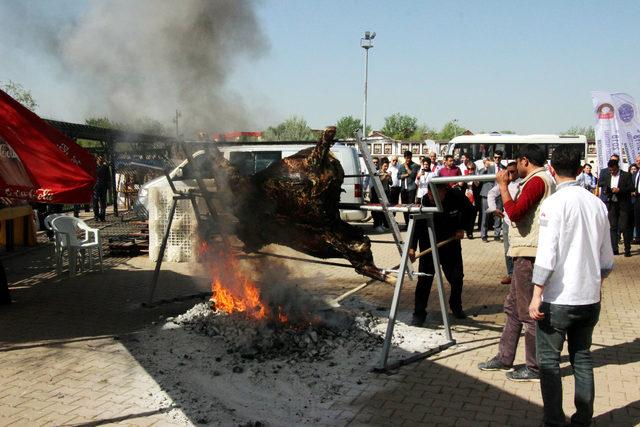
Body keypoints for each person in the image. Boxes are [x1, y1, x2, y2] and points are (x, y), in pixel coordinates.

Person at [528, 145, 614, 427]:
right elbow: (606, 259)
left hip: (558, 299)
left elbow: (547, 255)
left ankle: (553, 420)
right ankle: (583, 419)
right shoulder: (597, 204)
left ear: (552, 170)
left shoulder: (554, 204)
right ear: (580, 169)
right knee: (583, 359)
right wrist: (596, 286)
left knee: (550, 363)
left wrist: (536, 293)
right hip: (589, 299)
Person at [478, 144, 556, 382]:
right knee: (512, 308)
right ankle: (504, 357)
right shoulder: (536, 179)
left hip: (530, 254)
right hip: (522, 252)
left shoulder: (537, 181)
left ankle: (534, 367)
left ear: (525, 161)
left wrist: (502, 186)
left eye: (516, 164)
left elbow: (515, 212)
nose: (513, 170)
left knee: (528, 312)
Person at [409, 183, 476, 325]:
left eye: (436, 195)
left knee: (457, 278)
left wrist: (462, 228)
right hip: (429, 245)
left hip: (451, 243)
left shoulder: (456, 196)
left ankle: (456, 306)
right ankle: (419, 313)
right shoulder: (424, 202)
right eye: (430, 194)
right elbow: (417, 226)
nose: (431, 198)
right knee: (424, 280)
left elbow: (470, 210)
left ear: (445, 192)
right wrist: (412, 247)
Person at [486, 161, 520, 285]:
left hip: (521, 221)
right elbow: (491, 194)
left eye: (513, 171)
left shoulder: (525, 182)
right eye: (508, 171)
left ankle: (519, 275)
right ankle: (511, 274)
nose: (510, 174)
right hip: (507, 221)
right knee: (507, 249)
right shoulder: (504, 183)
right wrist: (493, 208)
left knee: (520, 250)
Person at [599, 159, 634, 256]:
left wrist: (620, 190)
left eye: (613, 170)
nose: (612, 172)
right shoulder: (607, 176)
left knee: (624, 227)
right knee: (612, 227)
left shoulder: (626, 175)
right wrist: (607, 191)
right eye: (610, 170)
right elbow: (602, 185)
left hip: (623, 204)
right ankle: (614, 249)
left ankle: (627, 249)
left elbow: (631, 188)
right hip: (612, 204)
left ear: (617, 168)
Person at [478, 157, 502, 242]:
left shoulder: (503, 168)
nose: (497, 159)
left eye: (499, 157)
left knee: (498, 216)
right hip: (486, 194)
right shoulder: (488, 167)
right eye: (495, 157)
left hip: (498, 194)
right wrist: (485, 167)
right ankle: (484, 235)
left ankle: (497, 235)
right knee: (485, 216)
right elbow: (479, 176)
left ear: (501, 158)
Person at [397, 151, 420, 227]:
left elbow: (413, 175)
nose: (408, 159)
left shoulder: (415, 165)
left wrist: (407, 167)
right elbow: (398, 176)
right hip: (403, 189)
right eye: (407, 158)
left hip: (411, 188)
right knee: (404, 207)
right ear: (404, 157)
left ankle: (411, 224)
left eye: (409, 157)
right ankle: (407, 224)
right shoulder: (400, 166)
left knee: (411, 207)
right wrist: (406, 174)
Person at [371, 157, 391, 233]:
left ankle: (382, 224)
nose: (386, 167)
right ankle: (377, 225)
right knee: (376, 210)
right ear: (381, 166)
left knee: (384, 211)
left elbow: (390, 183)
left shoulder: (387, 173)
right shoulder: (377, 173)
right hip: (377, 194)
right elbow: (377, 183)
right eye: (385, 166)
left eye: (387, 166)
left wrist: (389, 178)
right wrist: (384, 176)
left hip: (385, 193)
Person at [93, 155, 111, 222]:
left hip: (103, 186)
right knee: (95, 201)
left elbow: (108, 177)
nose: (101, 159)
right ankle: (96, 216)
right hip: (96, 187)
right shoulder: (94, 167)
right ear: (97, 159)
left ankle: (102, 216)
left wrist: (108, 186)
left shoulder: (105, 167)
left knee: (103, 202)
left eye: (102, 158)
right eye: (99, 158)